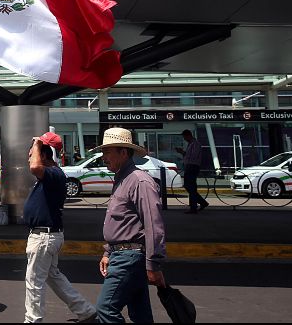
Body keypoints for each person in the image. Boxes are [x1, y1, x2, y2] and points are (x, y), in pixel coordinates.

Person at [93, 128, 166, 323]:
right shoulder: (122, 179)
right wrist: (108, 252)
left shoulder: (139, 181)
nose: (104, 157)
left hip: (129, 258)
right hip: (122, 255)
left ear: (123, 152)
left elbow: (153, 224)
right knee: (140, 314)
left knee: (106, 309)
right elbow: (122, 222)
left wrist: (153, 264)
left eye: (108, 152)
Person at [23, 132, 96, 323]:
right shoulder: (51, 176)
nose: (30, 156)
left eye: (33, 153)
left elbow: (34, 167)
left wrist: (37, 142)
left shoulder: (53, 174)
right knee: (53, 276)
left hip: (43, 237)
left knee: (34, 282)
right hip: (47, 236)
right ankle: (85, 310)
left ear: (45, 155)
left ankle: (32, 320)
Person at [175, 129, 208, 214]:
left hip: (192, 166)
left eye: (185, 137)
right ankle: (197, 205)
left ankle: (197, 205)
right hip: (189, 166)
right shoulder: (190, 144)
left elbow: (193, 156)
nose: (184, 139)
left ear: (188, 136)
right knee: (190, 187)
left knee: (189, 186)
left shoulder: (195, 144)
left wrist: (183, 153)